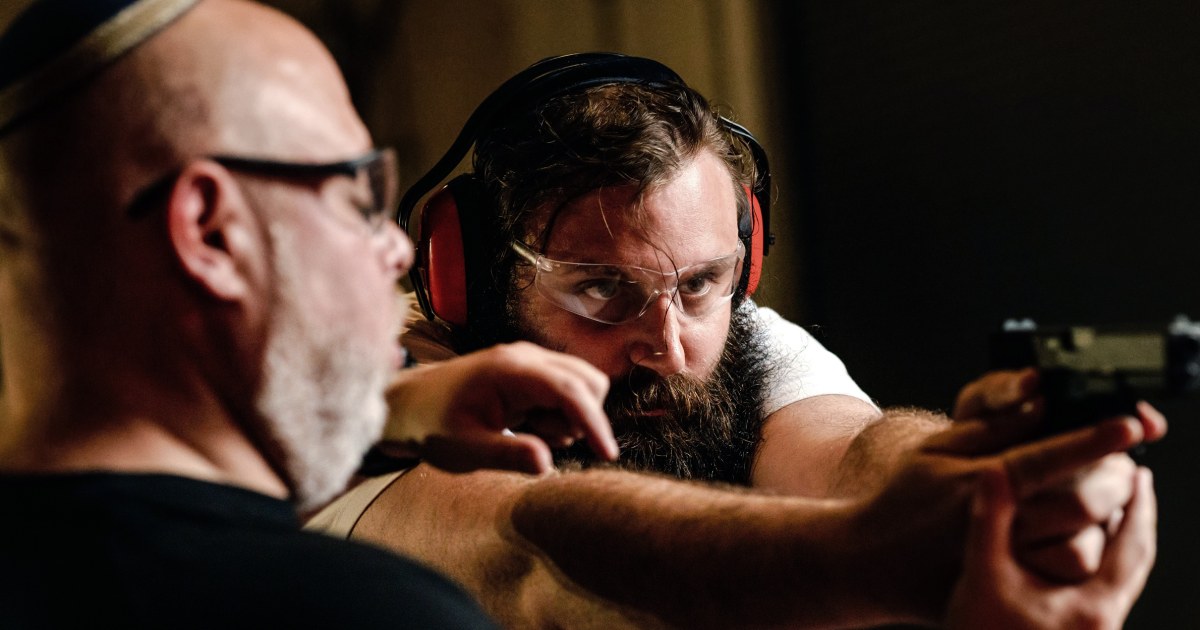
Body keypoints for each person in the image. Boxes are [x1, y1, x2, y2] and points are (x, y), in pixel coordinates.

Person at [310, 53, 1166, 627]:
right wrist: (887, 559)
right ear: (477, 276)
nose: (669, 345)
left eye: (699, 284)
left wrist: (984, 484)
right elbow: (534, 554)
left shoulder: (733, 332)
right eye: (603, 290)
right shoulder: (359, 395)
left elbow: (850, 453)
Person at [0, 1, 620, 627]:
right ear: (212, 232)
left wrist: (384, 410)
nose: (399, 250)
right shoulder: (372, 613)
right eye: (358, 196)